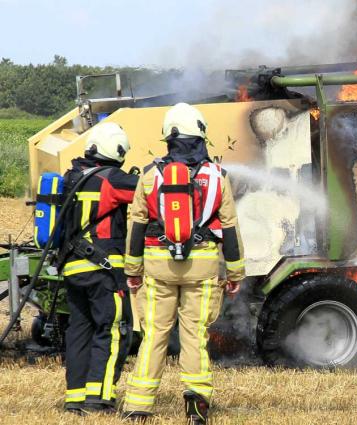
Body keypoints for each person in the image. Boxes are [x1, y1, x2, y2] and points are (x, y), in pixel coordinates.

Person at [122, 103, 245, 424]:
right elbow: (230, 228)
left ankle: (138, 405)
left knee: (154, 335)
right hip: (201, 268)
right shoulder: (218, 176)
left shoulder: (149, 176)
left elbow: (136, 225)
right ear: (202, 136)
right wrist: (235, 272)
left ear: (168, 138)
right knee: (194, 335)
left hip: (157, 267)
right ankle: (196, 403)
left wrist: (133, 271)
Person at [61, 122, 137, 415]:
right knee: (113, 329)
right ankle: (99, 398)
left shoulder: (71, 176)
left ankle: (75, 399)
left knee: (79, 331)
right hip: (103, 269)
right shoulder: (112, 179)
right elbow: (149, 194)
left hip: (72, 268)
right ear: (117, 150)